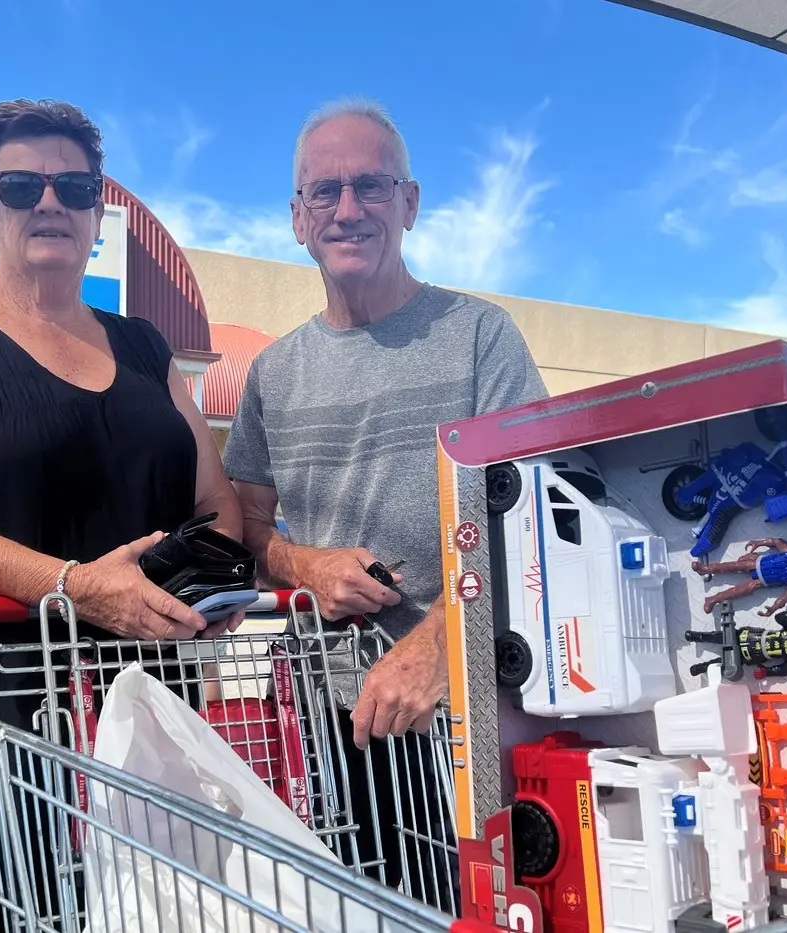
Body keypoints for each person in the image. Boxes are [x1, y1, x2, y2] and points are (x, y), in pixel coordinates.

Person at [0, 98, 242, 933]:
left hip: (151, 704)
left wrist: (212, 581)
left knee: (159, 904)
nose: (49, 203)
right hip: (6, 713)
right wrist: (74, 586)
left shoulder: (144, 346)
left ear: (97, 212)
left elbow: (215, 499)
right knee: (10, 899)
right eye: (21, 185)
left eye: (73, 187)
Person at [223, 98, 549, 905]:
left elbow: (533, 517)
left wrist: (441, 644)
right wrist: (306, 563)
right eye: (324, 191)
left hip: (469, 716)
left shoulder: (480, 336)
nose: (348, 209)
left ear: (410, 202)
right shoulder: (273, 373)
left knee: (480, 910)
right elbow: (248, 530)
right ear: (297, 217)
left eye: (370, 185)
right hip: (332, 720)